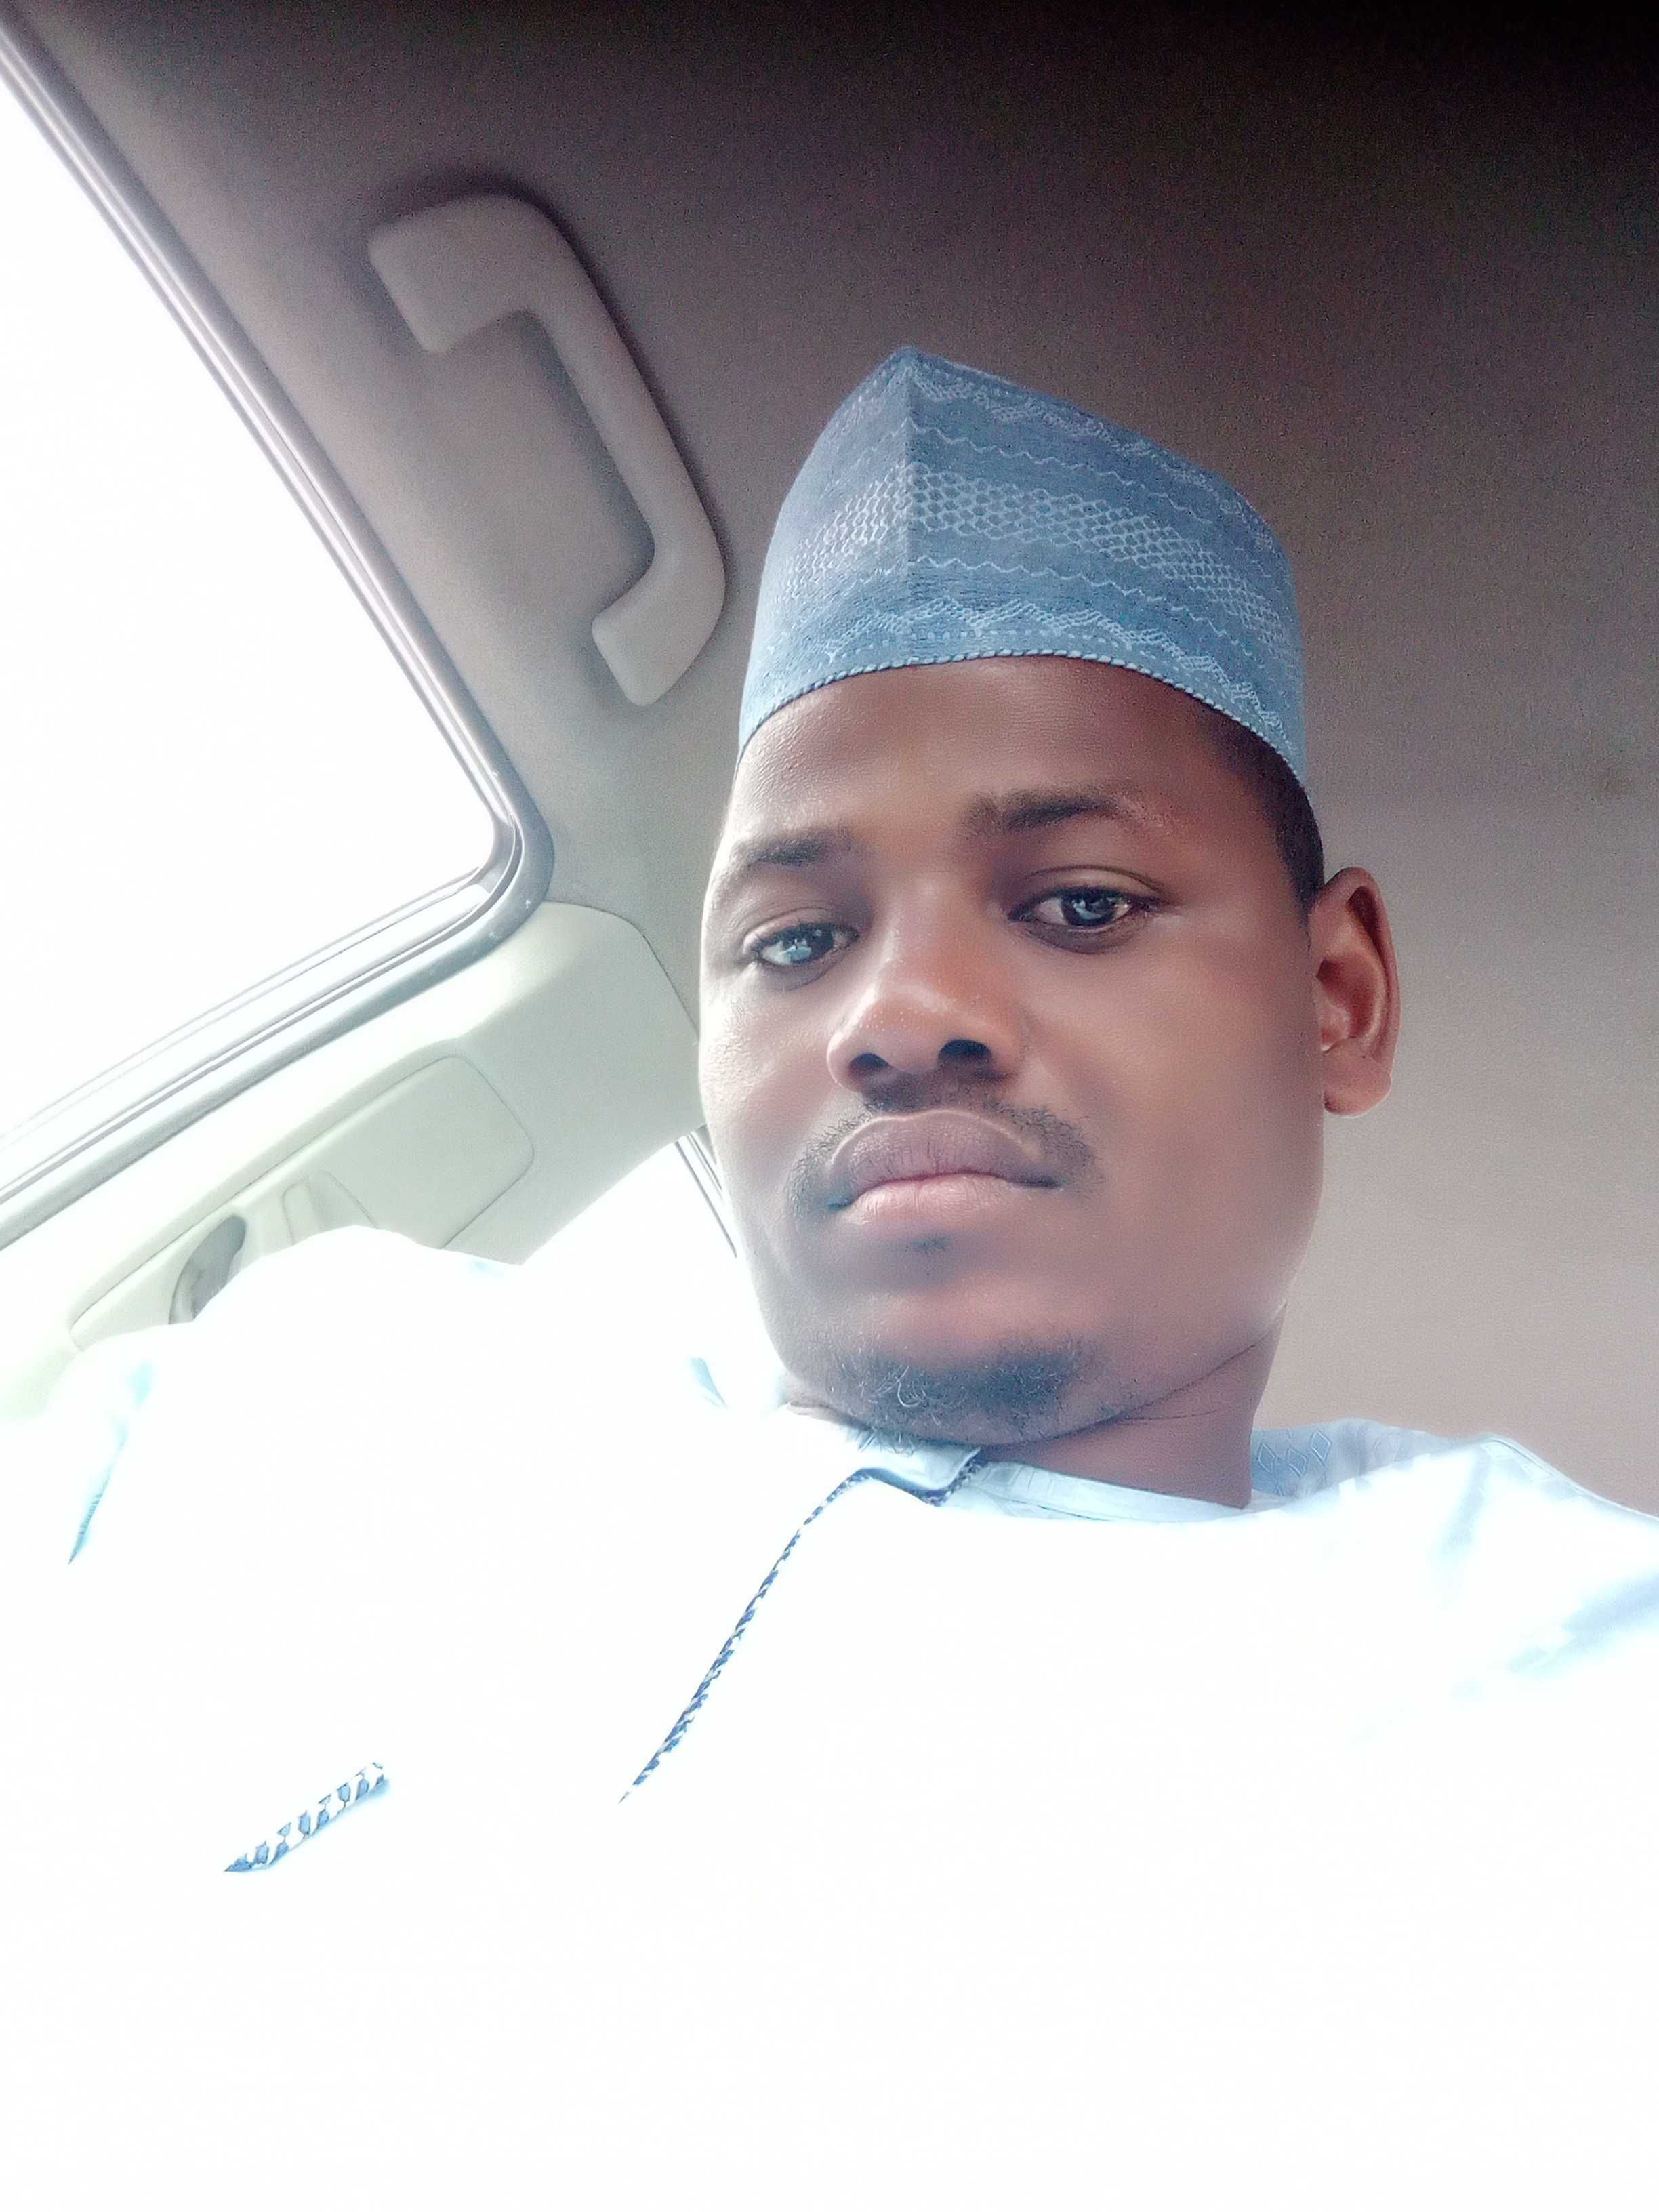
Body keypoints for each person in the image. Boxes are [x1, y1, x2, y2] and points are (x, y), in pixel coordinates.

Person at [3, 348, 1657, 2207]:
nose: (901, 1014)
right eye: (797, 940)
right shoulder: (319, 1379)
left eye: (1082, 903)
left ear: (1336, 998)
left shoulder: (1573, 1701)